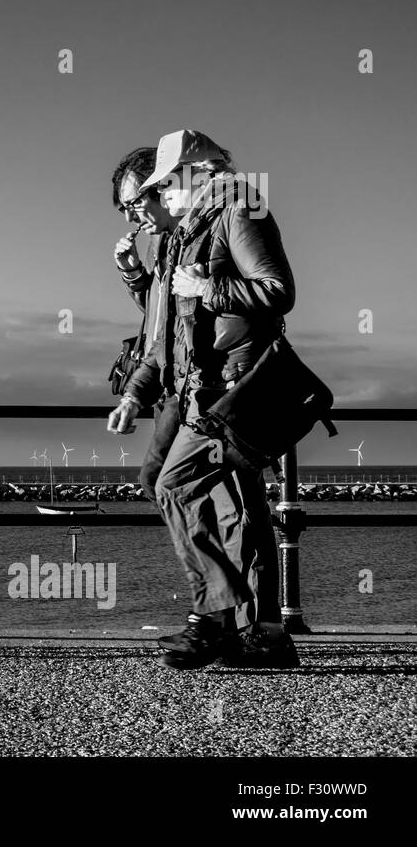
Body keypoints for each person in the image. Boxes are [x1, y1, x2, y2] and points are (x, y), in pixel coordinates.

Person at [107, 129, 297, 669]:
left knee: (220, 501)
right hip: (192, 388)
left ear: (194, 174)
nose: (156, 198)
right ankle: (240, 625)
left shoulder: (238, 209)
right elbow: (162, 330)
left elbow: (277, 290)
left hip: (232, 389)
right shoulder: (184, 232)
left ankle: (236, 624)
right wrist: (137, 390)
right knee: (188, 491)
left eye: (158, 187)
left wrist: (204, 289)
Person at [110, 147, 183, 505]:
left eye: (133, 203)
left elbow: (277, 291)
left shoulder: (190, 235)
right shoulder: (159, 242)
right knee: (167, 481)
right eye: (124, 209)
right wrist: (133, 271)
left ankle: (223, 561)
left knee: (158, 479)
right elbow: (156, 315)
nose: (129, 218)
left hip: (188, 381)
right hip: (163, 376)